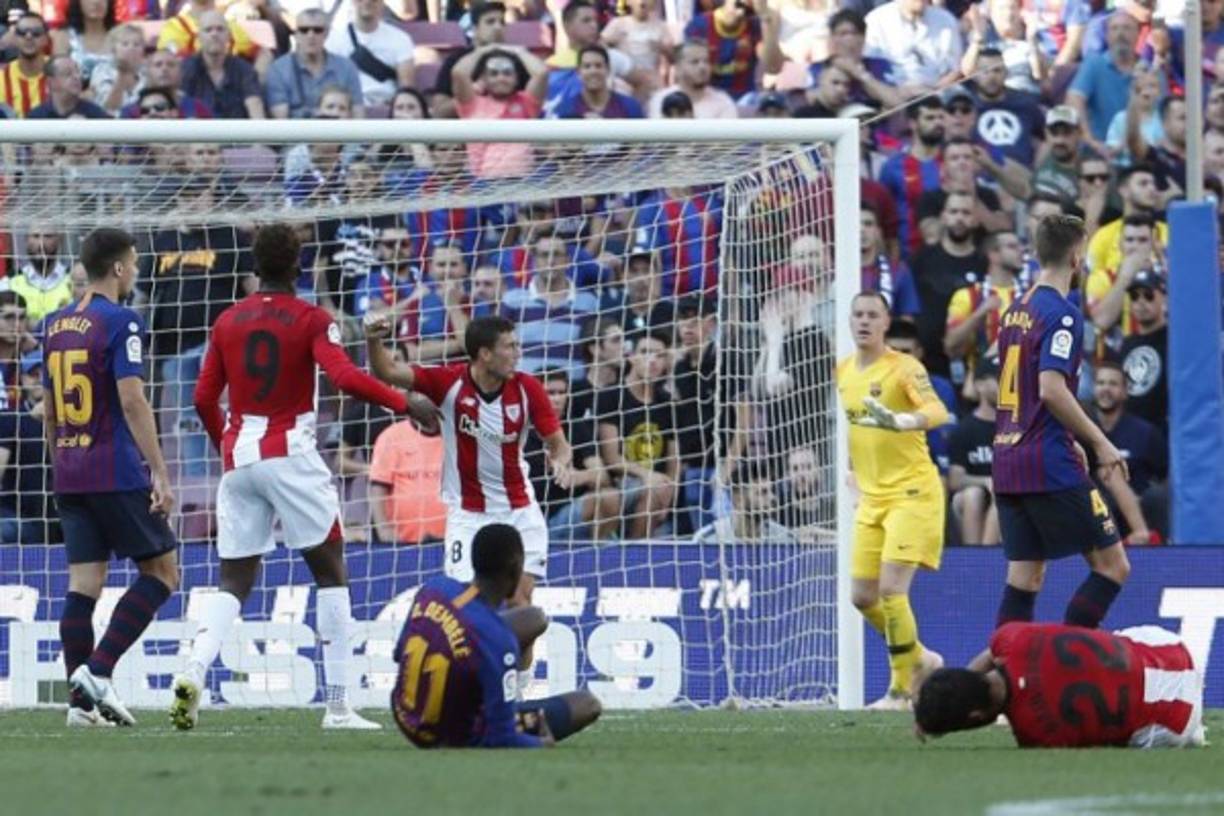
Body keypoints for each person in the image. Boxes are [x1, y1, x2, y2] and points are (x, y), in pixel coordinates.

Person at [171, 224, 418, 733]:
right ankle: (339, 707)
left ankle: (192, 669)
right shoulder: (312, 318)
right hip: (291, 455)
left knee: (234, 580)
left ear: (254, 266)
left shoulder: (227, 320)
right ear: (299, 265)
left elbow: (201, 398)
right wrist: (404, 402)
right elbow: (345, 378)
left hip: (241, 457)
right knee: (331, 572)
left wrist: (226, 445)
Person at [364, 313, 572, 694]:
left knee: (521, 604)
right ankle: (466, 689)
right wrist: (373, 340)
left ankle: (516, 691)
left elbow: (558, 443)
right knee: (464, 608)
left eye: (517, 345)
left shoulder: (528, 389)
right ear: (484, 354)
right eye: (509, 346)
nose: (518, 353)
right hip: (468, 516)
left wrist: (561, 461)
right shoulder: (448, 384)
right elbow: (388, 371)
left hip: (519, 512)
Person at [43, 228, 180, 728]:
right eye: (135, 263)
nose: (137, 270)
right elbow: (132, 399)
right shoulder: (123, 321)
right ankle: (97, 673)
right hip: (114, 470)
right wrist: (159, 471)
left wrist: (61, 463)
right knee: (163, 573)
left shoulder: (54, 324)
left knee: (84, 585)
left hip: (70, 470)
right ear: (119, 268)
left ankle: (80, 707)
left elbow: (50, 410)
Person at [991, 214, 1130, 636]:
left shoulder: (1014, 312)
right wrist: (1100, 443)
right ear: (1076, 256)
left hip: (1007, 459)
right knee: (1112, 566)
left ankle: (1003, 669)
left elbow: (1023, 393)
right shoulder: (1063, 314)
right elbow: (1050, 389)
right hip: (1046, 461)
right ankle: (1068, 658)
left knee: (1025, 577)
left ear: (1037, 253)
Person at [390, 523, 602, 748]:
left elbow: (398, 654)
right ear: (516, 570)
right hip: (450, 736)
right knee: (587, 704)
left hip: (404, 715)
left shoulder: (434, 588)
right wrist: (541, 744)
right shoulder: (499, 643)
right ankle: (502, 696)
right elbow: (502, 737)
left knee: (534, 618)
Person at [837, 291, 948, 710]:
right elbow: (857, 431)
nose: (864, 321)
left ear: (886, 323)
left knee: (891, 590)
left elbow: (937, 411)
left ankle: (901, 691)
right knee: (862, 597)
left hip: (911, 493)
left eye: (872, 315)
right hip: (872, 496)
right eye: (858, 314)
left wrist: (905, 420)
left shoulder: (904, 368)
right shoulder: (844, 371)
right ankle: (920, 658)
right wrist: (854, 475)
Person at [914, 622, 1205, 748]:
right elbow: (991, 655)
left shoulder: (1034, 733)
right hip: (1173, 650)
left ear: (975, 717)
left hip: (1177, 721)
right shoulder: (1013, 637)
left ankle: (1195, 732)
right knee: (1114, 645)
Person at [948, 359, 999, 546]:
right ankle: (974, 555)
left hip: (1008, 498)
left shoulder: (1017, 427)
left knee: (1007, 496)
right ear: (979, 385)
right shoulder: (965, 430)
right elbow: (955, 480)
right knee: (973, 494)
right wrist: (986, 481)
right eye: (998, 379)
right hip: (971, 498)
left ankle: (988, 556)